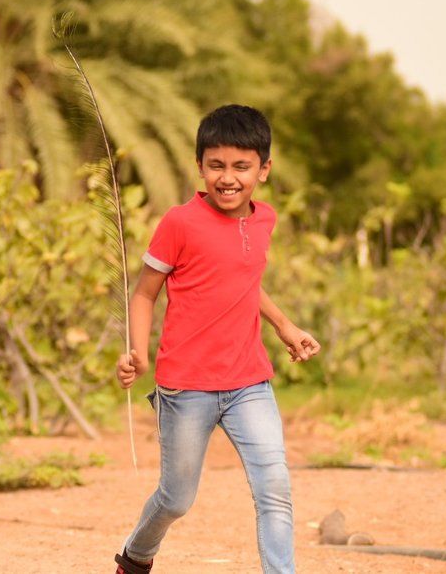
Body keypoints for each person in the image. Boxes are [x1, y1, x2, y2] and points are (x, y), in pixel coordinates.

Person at [114, 104, 321, 574]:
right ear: (200, 166)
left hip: (249, 382)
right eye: (216, 165)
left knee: (275, 489)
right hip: (186, 387)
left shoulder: (264, 220)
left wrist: (284, 325)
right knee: (176, 498)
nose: (228, 178)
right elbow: (144, 293)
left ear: (264, 169)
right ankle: (136, 555)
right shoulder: (179, 223)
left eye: (241, 166)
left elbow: (243, 279)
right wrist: (137, 353)